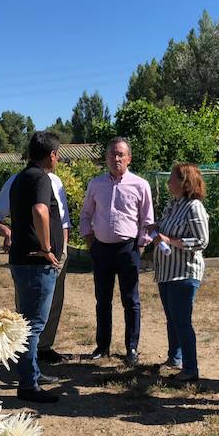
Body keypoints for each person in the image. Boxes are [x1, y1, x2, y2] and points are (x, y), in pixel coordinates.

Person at [80, 137, 154, 367]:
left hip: (128, 249)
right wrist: (90, 241)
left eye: (121, 154)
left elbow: (147, 219)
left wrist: (141, 245)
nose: (116, 158)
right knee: (102, 300)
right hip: (101, 249)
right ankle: (102, 346)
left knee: (130, 300)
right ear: (106, 158)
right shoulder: (95, 184)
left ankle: (131, 347)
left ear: (129, 158)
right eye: (112, 154)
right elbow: (85, 214)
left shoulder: (140, 185)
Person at [0, 171, 71, 366]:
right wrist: (8, 232)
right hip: (35, 254)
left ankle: (44, 347)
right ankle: (26, 352)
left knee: (54, 300)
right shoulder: (18, 180)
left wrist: (64, 246)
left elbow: (63, 219)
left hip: (59, 252)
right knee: (29, 306)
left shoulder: (56, 181)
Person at [8, 132, 64, 404]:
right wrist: (47, 249)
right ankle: (28, 385)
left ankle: (32, 373)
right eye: (57, 154)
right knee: (33, 325)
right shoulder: (41, 178)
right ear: (52, 155)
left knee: (27, 321)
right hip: (35, 263)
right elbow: (41, 211)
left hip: (21, 259)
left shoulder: (21, 177)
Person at [152, 163, 209, 385]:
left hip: (184, 273)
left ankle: (190, 368)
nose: (168, 182)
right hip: (167, 272)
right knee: (172, 319)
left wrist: (170, 241)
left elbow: (201, 241)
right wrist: (155, 229)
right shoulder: (173, 205)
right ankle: (174, 358)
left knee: (182, 321)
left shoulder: (194, 207)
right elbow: (166, 229)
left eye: (172, 179)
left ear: (184, 182)